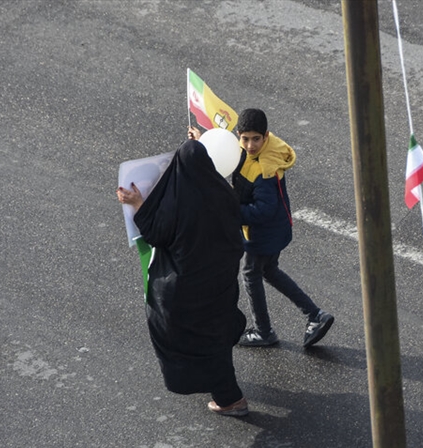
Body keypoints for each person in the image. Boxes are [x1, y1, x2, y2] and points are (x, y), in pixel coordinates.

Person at [117, 138, 249, 417]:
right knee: (216, 335)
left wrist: (138, 203)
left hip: (188, 291)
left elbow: (156, 233)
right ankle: (227, 394)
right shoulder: (224, 194)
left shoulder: (177, 204)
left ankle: (230, 399)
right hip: (220, 283)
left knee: (194, 339)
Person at [190, 109, 334, 348]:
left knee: (251, 274)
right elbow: (224, 154)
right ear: (238, 135)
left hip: (264, 234)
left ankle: (264, 331)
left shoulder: (265, 170)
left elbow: (262, 211)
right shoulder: (247, 150)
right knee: (269, 271)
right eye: (245, 139)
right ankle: (315, 315)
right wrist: (201, 142)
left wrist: (230, 211)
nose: (250, 145)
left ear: (266, 136)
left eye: (256, 139)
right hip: (273, 230)